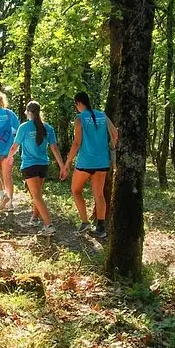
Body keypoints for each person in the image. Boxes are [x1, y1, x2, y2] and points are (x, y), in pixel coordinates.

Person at [61, 91, 117, 239]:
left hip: (85, 162)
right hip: (102, 162)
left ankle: (85, 222)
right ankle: (100, 228)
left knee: (75, 190)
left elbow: (77, 143)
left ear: (78, 103)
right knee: (99, 195)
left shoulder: (80, 119)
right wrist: (108, 148)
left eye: (75, 105)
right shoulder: (103, 115)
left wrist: (67, 163)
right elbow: (115, 134)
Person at [7, 101, 67, 234]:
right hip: (43, 165)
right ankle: (34, 218)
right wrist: (62, 167)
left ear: (28, 112)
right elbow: (55, 149)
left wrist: (9, 158)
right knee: (37, 194)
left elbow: (14, 146)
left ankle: (49, 225)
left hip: (29, 165)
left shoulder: (24, 127)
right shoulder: (48, 128)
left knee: (37, 196)